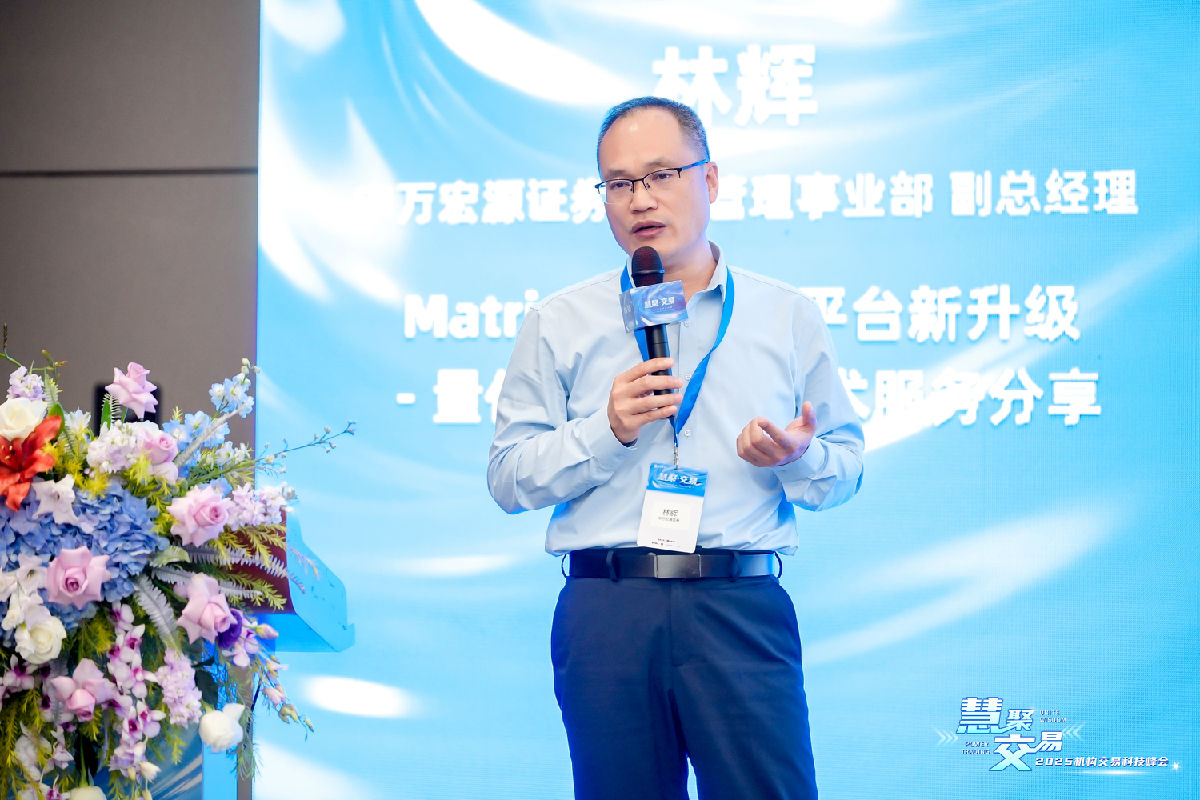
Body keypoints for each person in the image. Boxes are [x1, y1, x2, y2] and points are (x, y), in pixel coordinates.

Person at [487, 96, 864, 800]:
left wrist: (799, 458)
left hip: (739, 607)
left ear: (709, 179)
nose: (640, 200)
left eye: (661, 175)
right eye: (619, 183)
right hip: (609, 609)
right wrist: (607, 430)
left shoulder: (785, 314)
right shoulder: (558, 321)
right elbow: (509, 478)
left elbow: (844, 468)